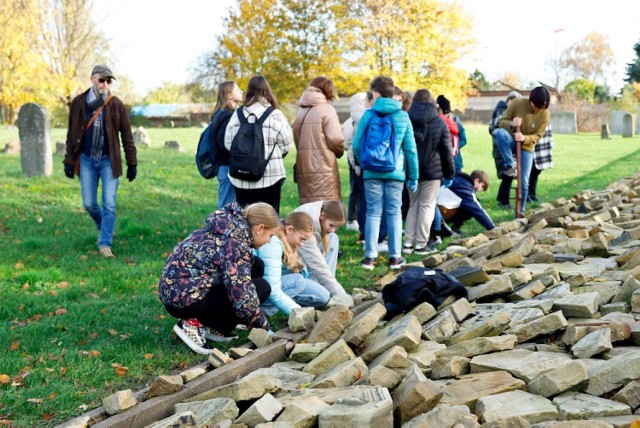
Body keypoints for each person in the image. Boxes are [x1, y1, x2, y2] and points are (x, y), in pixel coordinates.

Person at [158, 202, 279, 354]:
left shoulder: (228, 228)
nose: (269, 241)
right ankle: (193, 323)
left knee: (257, 265)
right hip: (183, 301)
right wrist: (264, 329)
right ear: (260, 229)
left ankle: (216, 325)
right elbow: (243, 298)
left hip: (176, 289)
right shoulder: (235, 246)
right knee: (261, 287)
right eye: (271, 236)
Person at [63, 65, 137, 259]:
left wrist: (132, 163)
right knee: (89, 203)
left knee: (109, 203)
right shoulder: (79, 102)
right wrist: (69, 160)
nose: (105, 84)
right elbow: (72, 133)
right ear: (92, 79)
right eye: (101, 80)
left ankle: (105, 244)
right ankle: (104, 225)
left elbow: (127, 136)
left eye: (108, 81)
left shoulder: (116, 104)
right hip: (86, 159)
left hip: (108, 161)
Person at [352, 75, 419, 271]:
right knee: (394, 213)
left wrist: (365, 162)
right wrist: (413, 175)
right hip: (395, 172)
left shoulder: (368, 114)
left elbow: (356, 144)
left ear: (377, 93)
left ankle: (369, 258)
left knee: (373, 212)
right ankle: (395, 258)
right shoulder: (402, 116)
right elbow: (410, 150)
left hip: (371, 172)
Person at [224, 75, 293, 213]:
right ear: (267, 90)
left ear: (249, 90)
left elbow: (227, 143)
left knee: (246, 219)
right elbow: (287, 144)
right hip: (270, 175)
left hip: (241, 176)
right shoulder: (274, 114)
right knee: (269, 219)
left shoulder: (237, 114)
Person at [404, 89, 455, 255]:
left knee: (413, 206)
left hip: (411, 171)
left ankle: (408, 244)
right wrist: (450, 174)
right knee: (426, 206)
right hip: (432, 173)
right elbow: (447, 151)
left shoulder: (406, 119)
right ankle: (420, 244)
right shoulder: (440, 123)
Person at [257, 211, 330, 316]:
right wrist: (301, 314)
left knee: (322, 295)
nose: (302, 244)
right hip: (257, 291)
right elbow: (272, 288)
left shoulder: (286, 241)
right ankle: (261, 312)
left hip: (265, 283)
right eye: (301, 239)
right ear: (289, 229)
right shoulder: (273, 244)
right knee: (298, 281)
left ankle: (282, 303)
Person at [495, 86, 551, 217]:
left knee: (524, 182)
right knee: (500, 133)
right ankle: (510, 165)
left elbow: (538, 136)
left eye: (542, 107)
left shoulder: (545, 114)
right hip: (512, 140)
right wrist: (512, 124)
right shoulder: (518, 103)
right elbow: (501, 122)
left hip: (527, 147)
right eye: (537, 106)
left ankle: (520, 212)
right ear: (531, 100)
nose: (539, 109)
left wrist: (524, 138)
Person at [292, 76, 345, 204]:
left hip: (303, 165)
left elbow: (296, 137)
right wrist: (340, 151)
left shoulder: (301, 111)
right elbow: (335, 138)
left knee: (309, 208)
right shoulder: (327, 109)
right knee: (326, 210)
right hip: (323, 166)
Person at [295, 200, 350, 299]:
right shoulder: (305, 224)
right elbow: (317, 265)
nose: (333, 230)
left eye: (336, 227)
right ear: (322, 215)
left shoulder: (319, 212)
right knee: (322, 297)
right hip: (292, 271)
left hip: (304, 262)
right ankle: (321, 289)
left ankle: (327, 288)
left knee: (333, 237)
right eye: (331, 225)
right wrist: (341, 295)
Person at [211, 81, 243, 209]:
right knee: (226, 210)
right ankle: (219, 229)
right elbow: (223, 143)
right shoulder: (227, 115)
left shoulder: (223, 113)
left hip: (226, 167)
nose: (241, 91)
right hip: (227, 167)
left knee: (229, 208)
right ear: (229, 95)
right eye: (237, 89)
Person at [489, 90, 520, 208]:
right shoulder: (500, 112)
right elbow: (493, 129)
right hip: (501, 148)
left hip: (510, 146)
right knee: (508, 173)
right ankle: (504, 202)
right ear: (508, 101)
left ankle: (500, 199)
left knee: (509, 174)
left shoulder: (515, 112)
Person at [342, 92, 367, 232]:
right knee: (357, 190)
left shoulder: (351, 120)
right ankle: (352, 218)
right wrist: (354, 162)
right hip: (355, 160)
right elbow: (348, 143)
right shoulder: (354, 121)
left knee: (357, 190)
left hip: (356, 159)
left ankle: (354, 218)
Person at [437, 95, 467, 174]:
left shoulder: (455, 121)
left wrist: (453, 147)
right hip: (440, 162)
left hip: (456, 161)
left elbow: (463, 139)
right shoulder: (436, 121)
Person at [528, 124, 554, 203]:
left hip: (542, 144)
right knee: (531, 171)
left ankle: (532, 195)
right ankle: (528, 195)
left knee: (536, 170)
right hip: (530, 144)